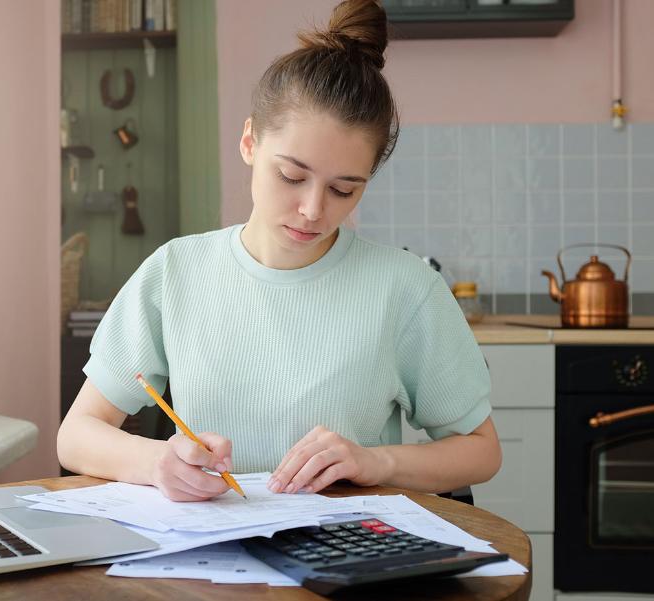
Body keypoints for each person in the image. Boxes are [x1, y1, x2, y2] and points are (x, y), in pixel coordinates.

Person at [57, 0, 501, 502]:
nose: (312, 209)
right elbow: (76, 435)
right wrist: (158, 462)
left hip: (348, 563)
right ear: (249, 142)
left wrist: (377, 461)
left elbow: (481, 451)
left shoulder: (405, 287)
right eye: (291, 176)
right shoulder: (175, 272)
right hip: (212, 561)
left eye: (343, 189)